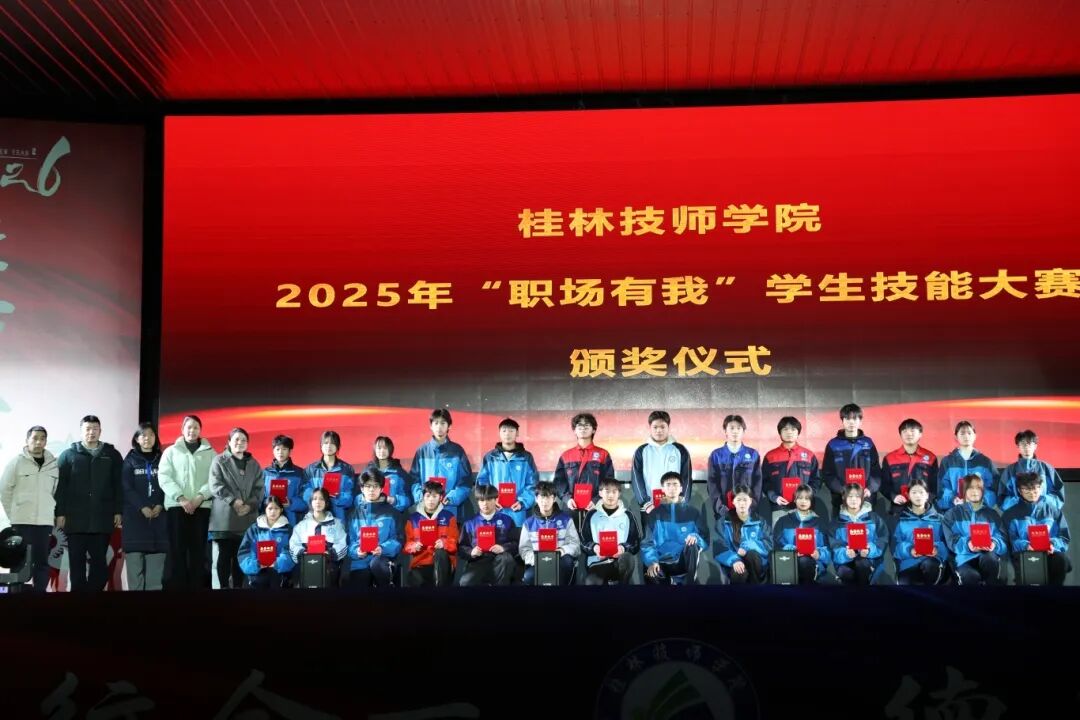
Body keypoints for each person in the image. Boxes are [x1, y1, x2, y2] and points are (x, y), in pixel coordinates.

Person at [55, 415, 123, 592]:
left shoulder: (112, 455)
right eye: (87, 429)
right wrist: (60, 513)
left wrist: (118, 510)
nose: (91, 432)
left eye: (95, 429)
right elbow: (60, 487)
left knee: (100, 567)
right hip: (75, 520)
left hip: (102, 518)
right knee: (76, 565)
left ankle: (92, 597)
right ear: (81, 431)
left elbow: (119, 485)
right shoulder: (68, 455)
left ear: (100, 431)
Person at [158, 415, 216, 590]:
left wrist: (200, 497)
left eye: (196, 427)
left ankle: (197, 589)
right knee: (177, 551)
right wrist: (181, 498)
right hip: (177, 507)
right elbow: (164, 477)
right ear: (182, 429)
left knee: (198, 551)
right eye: (189, 427)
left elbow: (214, 479)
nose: (192, 431)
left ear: (200, 430)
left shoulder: (211, 453)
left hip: (201, 507)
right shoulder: (171, 451)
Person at [0, 425, 58, 592]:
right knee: (18, 561)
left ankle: (39, 599)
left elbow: (54, 491)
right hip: (21, 522)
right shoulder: (16, 462)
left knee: (42, 563)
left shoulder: (53, 465)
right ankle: (15, 598)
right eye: (35, 438)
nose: (38, 442)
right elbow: (4, 490)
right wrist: (14, 515)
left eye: (42, 439)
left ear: (46, 441)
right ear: (27, 440)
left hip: (44, 523)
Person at [209, 427, 263, 589]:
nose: (240, 443)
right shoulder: (219, 460)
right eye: (236, 439)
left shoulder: (254, 464)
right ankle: (224, 588)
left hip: (247, 516)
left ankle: (239, 589)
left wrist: (250, 505)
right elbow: (215, 484)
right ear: (229, 442)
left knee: (242, 556)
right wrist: (233, 501)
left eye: (243, 440)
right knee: (225, 555)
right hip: (225, 517)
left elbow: (259, 489)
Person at [1001, 472, 1071, 585]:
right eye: (1026, 490)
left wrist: (1052, 544)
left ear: (1041, 488)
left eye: (1035, 489)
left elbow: (1064, 537)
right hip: (1023, 554)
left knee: (1060, 560)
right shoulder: (1010, 515)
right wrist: (1026, 545)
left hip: (1050, 553)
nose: (1032, 493)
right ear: (1019, 490)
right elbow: (1009, 541)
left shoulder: (1053, 511)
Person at [120, 423, 167, 591]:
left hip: (159, 521)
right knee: (135, 576)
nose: (147, 438)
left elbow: (168, 484)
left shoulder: (163, 459)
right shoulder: (129, 460)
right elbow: (126, 487)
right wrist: (142, 507)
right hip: (135, 521)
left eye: (151, 435)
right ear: (137, 439)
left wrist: (160, 504)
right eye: (143, 435)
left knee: (155, 578)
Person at [642, 472, 708, 585]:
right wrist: (652, 561)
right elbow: (647, 543)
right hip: (661, 562)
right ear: (662, 489)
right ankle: (670, 581)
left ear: (681, 488)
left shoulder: (693, 512)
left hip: (683, 561)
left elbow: (705, 539)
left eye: (675, 484)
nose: (672, 488)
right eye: (668, 485)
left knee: (693, 544)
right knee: (651, 573)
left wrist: (696, 537)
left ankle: (689, 584)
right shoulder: (654, 514)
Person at [553, 413, 616, 533]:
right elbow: (559, 481)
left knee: (594, 537)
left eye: (587, 425)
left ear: (594, 430)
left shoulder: (603, 454)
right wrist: (567, 499)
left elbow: (609, 481)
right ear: (574, 430)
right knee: (571, 538)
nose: (583, 428)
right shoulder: (566, 455)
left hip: (595, 506)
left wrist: (597, 500)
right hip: (571, 506)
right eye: (579, 426)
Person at [943, 474, 1006, 585]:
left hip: (987, 556)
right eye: (970, 488)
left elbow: (1002, 539)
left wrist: (994, 544)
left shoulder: (992, 514)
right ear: (964, 491)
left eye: (978, 488)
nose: (975, 491)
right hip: (963, 559)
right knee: (971, 577)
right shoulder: (951, 514)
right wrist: (968, 544)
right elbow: (951, 541)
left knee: (990, 559)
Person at [409, 409, 473, 518]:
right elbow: (414, 479)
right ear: (431, 426)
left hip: (450, 509)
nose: (439, 427)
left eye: (443, 423)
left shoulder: (457, 451)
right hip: (425, 509)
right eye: (436, 423)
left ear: (449, 426)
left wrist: (451, 498)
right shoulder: (422, 451)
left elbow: (466, 481)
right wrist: (421, 497)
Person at [475, 418, 538, 527]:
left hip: (517, 512)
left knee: (516, 536)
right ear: (499, 433)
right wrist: (491, 500)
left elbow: (533, 484)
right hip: (495, 510)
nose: (507, 434)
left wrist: (522, 502)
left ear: (517, 433)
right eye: (504, 431)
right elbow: (482, 482)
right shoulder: (490, 457)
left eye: (511, 430)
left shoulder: (526, 457)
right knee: (496, 536)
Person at [822, 404, 881, 518]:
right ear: (842, 421)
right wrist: (842, 490)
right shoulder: (833, 444)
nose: (851, 422)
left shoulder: (868, 443)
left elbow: (876, 471)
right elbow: (828, 473)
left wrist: (870, 488)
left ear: (860, 421)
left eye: (855, 418)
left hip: (865, 498)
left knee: (866, 529)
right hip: (841, 499)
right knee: (842, 529)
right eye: (847, 419)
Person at [346, 471, 401, 589]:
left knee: (376, 565)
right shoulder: (353, 514)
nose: (371, 490)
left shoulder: (392, 512)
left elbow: (398, 539)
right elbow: (350, 542)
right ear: (362, 489)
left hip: (383, 559)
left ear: (382, 489)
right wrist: (357, 551)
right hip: (359, 563)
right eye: (368, 486)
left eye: (375, 486)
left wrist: (383, 548)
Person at [630, 411, 692, 517]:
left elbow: (686, 478)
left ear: (668, 427)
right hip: (649, 508)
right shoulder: (641, 451)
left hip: (675, 506)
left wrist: (682, 502)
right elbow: (636, 479)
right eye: (655, 427)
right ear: (650, 428)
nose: (659, 430)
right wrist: (645, 502)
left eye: (662, 427)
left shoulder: (680, 450)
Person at [519, 481, 580, 586]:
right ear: (536, 498)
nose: (545, 502)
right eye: (542, 497)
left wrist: (562, 551)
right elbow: (524, 550)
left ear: (554, 498)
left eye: (549, 497)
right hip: (537, 562)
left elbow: (576, 546)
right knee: (528, 576)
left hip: (560, 561)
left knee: (567, 563)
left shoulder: (566, 520)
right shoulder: (528, 523)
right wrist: (537, 559)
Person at [581, 477, 639, 585]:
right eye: (607, 491)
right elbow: (583, 542)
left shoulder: (628, 515)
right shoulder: (591, 515)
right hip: (597, 563)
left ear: (619, 493)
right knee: (591, 582)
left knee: (627, 558)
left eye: (614, 491)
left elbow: (635, 543)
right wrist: (595, 548)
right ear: (600, 493)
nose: (610, 495)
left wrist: (622, 548)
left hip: (620, 563)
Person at [889, 478, 949, 585]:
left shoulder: (940, 519)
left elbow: (948, 545)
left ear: (927, 495)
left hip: (932, 562)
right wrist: (910, 550)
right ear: (908, 495)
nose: (918, 496)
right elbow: (895, 547)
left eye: (921, 492)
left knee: (929, 565)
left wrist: (937, 549)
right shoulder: (900, 520)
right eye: (914, 492)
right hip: (908, 564)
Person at [459, 484, 520, 587]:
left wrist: (503, 548)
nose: (485, 504)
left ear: (496, 500)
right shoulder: (469, 523)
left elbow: (516, 544)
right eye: (481, 500)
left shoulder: (507, 520)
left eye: (489, 499)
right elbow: (461, 548)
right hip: (478, 562)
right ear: (477, 502)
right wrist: (471, 552)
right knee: (465, 583)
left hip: (501, 562)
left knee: (506, 558)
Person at [828, 482, 888, 586]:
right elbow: (834, 547)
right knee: (845, 572)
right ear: (843, 497)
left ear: (862, 497)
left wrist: (869, 550)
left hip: (869, 560)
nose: (854, 499)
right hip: (845, 562)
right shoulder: (835, 523)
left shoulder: (874, 518)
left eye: (857, 496)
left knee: (861, 564)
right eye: (850, 496)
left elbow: (883, 539)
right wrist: (845, 553)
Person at [403, 480, 458, 587]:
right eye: (428, 496)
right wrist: (414, 546)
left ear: (440, 498)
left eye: (434, 496)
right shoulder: (413, 519)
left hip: (443, 564)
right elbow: (406, 546)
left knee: (440, 553)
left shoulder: (449, 517)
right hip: (421, 563)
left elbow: (454, 543)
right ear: (423, 497)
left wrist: (444, 544)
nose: (431, 500)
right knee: (414, 580)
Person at [289, 487, 348, 587]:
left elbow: (342, 543)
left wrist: (330, 553)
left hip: (329, 563)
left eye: (321, 499)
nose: (318, 502)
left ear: (327, 502)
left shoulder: (337, 524)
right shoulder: (301, 525)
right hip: (305, 562)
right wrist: (302, 553)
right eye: (315, 499)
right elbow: (293, 544)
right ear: (311, 502)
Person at [773, 484, 831, 584]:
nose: (803, 501)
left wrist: (819, 554)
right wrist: (791, 550)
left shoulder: (820, 523)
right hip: (788, 562)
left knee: (805, 561)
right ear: (795, 500)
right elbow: (776, 546)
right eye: (800, 498)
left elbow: (828, 550)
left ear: (811, 501)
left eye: (807, 498)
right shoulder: (783, 521)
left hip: (812, 564)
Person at [713, 484, 772, 584]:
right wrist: (735, 560)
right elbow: (719, 548)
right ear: (733, 501)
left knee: (752, 555)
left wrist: (751, 545)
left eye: (745, 500)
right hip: (734, 565)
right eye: (738, 500)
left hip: (757, 565)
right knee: (739, 572)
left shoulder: (760, 522)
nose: (742, 503)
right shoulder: (723, 522)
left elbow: (769, 545)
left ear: (750, 501)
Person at [762, 417, 820, 517]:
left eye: (793, 429)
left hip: (804, 508)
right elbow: (764, 482)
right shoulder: (770, 456)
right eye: (785, 429)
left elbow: (816, 480)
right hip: (779, 507)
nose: (789, 432)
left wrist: (807, 497)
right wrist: (774, 497)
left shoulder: (809, 455)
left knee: (805, 528)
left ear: (798, 432)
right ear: (780, 433)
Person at [880, 419, 938, 517]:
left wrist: (926, 499)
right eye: (905, 431)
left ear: (920, 434)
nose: (909, 434)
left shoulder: (930, 457)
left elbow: (936, 485)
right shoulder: (890, 458)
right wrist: (894, 496)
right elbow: (883, 484)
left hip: (924, 510)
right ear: (900, 435)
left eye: (912, 430)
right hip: (898, 510)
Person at [707, 415, 763, 516]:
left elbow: (758, 483)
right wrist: (720, 508)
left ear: (743, 431)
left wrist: (751, 507)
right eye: (731, 428)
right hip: (723, 512)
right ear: (725, 431)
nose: (735, 431)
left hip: (748, 512)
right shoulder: (716, 455)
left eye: (738, 428)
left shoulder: (753, 455)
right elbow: (712, 484)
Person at [937, 421, 998, 512]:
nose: (966, 436)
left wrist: (979, 500)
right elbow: (943, 487)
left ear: (975, 436)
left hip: (980, 512)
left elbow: (993, 487)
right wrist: (953, 499)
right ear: (956, 437)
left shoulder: (985, 461)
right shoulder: (947, 462)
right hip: (954, 511)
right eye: (962, 433)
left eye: (969, 433)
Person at [998, 430, 1066, 512]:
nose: (1026, 447)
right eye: (1023, 444)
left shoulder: (1046, 469)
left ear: (1035, 446)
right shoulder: (1010, 471)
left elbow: (1058, 496)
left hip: (1043, 513)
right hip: (1018, 515)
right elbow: (1002, 499)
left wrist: (1042, 500)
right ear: (1018, 447)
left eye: (1030, 444)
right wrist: (1018, 503)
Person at [238, 495, 295, 590]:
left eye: (276, 508)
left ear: (281, 510)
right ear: (265, 509)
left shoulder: (288, 530)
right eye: (270, 508)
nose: (273, 512)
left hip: (280, 575)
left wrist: (278, 563)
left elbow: (292, 552)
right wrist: (256, 564)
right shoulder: (254, 529)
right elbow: (244, 552)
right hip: (257, 575)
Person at [303, 430, 355, 522]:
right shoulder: (311, 469)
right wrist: (320, 497)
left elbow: (350, 498)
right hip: (316, 518)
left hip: (338, 518)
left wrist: (338, 497)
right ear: (321, 445)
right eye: (326, 443)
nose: (329, 446)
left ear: (338, 446)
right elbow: (305, 494)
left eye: (332, 443)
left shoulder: (347, 469)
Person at [261, 435, 306, 526]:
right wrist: (268, 504)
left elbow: (306, 501)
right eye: (277, 449)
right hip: (269, 522)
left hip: (291, 522)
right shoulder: (265, 473)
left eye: (284, 449)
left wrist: (291, 503)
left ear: (290, 451)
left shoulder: (299, 473)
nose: (280, 452)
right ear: (273, 451)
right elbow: (260, 498)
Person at [364, 436, 411, 513]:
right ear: (375, 450)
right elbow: (357, 499)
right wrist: (367, 498)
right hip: (372, 514)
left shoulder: (399, 473)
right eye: (379, 448)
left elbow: (408, 500)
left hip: (393, 515)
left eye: (385, 448)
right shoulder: (367, 472)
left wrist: (393, 500)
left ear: (390, 450)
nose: (382, 451)